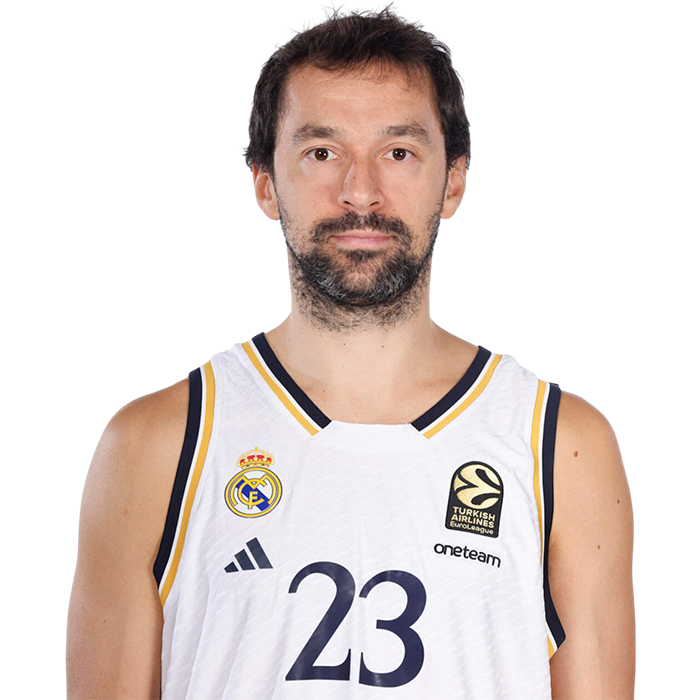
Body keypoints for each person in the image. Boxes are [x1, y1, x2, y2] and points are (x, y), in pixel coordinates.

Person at [66, 7, 634, 699]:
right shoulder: (154, 444)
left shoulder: (559, 445)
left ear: (453, 182)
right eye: (321, 152)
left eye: (398, 152)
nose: (360, 192)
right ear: (265, 184)